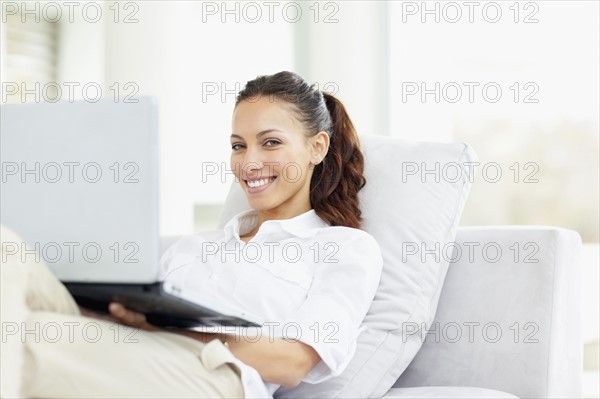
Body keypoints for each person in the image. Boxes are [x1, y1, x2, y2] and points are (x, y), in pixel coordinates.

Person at [0, 71, 383, 399]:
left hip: (214, 376)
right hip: (138, 349)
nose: (249, 163)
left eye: (270, 142)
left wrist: (161, 327)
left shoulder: (344, 249)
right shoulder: (195, 247)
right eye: (238, 146)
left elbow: (292, 363)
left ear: (317, 147)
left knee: (30, 342)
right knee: (8, 251)